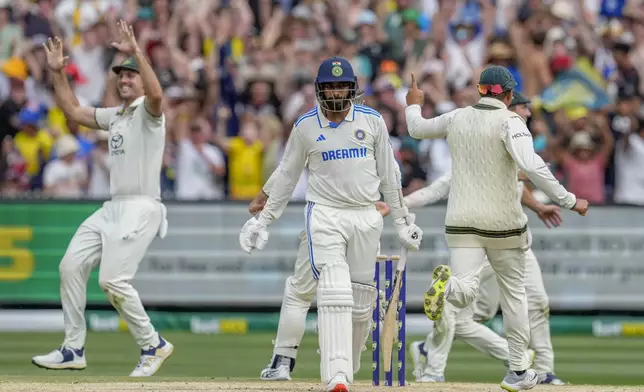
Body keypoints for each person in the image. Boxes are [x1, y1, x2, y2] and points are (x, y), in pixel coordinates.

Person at [238, 56, 422, 392]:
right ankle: (328, 372)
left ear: (352, 89)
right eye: (329, 86)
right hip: (324, 213)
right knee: (332, 285)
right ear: (319, 90)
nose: (336, 92)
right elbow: (287, 175)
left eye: (341, 85)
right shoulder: (306, 126)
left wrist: (402, 220)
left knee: (362, 298)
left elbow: (389, 176)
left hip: (366, 215)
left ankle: (347, 369)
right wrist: (263, 221)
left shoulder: (373, 121)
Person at [404, 65, 589, 391]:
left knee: (464, 289)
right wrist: (569, 200)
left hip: (461, 223)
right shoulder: (510, 121)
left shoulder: (455, 117)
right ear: (507, 94)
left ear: (479, 90)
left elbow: (416, 128)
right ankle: (518, 371)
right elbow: (532, 165)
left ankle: (447, 289)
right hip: (503, 226)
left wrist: (413, 102)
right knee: (516, 297)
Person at [31, 21, 172, 377]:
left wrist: (137, 51)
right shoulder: (119, 116)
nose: (124, 81)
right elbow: (74, 113)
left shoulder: (149, 113)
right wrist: (57, 73)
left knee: (112, 281)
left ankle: (152, 344)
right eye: (121, 76)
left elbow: (157, 96)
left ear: (140, 81)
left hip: (142, 206)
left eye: (131, 76)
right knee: (70, 266)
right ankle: (73, 348)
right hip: (113, 207)